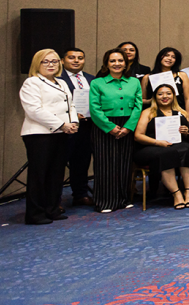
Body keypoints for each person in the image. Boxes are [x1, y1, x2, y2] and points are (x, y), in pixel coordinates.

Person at [19, 49, 79, 224]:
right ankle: (35, 214)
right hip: (39, 135)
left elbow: (71, 105)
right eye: (45, 61)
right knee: (39, 175)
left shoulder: (62, 82)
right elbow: (34, 110)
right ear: (37, 64)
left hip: (61, 134)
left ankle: (52, 209)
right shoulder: (32, 83)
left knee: (56, 174)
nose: (50, 65)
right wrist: (61, 124)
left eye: (54, 61)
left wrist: (73, 122)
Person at [89, 49, 143, 213]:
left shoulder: (134, 82)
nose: (117, 64)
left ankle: (123, 199)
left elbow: (138, 106)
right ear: (106, 64)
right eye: (112, 61)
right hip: (104, 126)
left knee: (124, 164)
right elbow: (94, 108)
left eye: (120, 60)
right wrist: (110, 127)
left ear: (126, 64)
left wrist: (128, 127)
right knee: (105, 164)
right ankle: (105, 202)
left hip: (127, 125)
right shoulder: (97, 83)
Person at [132, 84, 189, 209]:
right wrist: (157, 142)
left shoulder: (182, 112)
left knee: (188, 150)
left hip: (176, 145)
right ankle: (177, 194)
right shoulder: (148, 112)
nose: (164, 96)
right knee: (166, 153)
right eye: (160, 94)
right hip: (150, 147)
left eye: (168, 93)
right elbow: (138, 136)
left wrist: (186, 132)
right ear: (155, 97)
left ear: (174, 96)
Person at [59, 47, 96, 207]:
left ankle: (80, 194)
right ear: (62, 61)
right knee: (59, 164)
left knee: (82, 162)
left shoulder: (92, 79)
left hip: (87, 127)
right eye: (71, 57)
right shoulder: (57, 79)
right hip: (65, 128)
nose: (76, 61)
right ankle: (54, 200)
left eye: (80, 58)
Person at [142, 48, 189, 112]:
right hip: (154, 112)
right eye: (166, 55)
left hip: (178, 111)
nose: (169, 58)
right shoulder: (147, 77)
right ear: (160, 57)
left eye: (173, 57)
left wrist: (188, 115)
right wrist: (151, 100)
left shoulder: (182, 75)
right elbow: (142, 100)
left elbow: (187, 98)